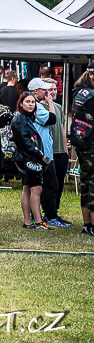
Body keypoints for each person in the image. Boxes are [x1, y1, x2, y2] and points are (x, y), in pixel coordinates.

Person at [10, 92, 51, 229]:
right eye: (27, 102)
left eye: (33, 102)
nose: (31, 104)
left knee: (27, 188)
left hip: (27, 157)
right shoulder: (20, 119)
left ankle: (28, 221)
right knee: (36, 188)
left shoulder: (26, 117)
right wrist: (40, 155)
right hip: (28, 158)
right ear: (21, 103)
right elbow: (26, 143)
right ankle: (38, 222)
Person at [28, 78, 63, 227]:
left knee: (34, 187)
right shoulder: (36, 106)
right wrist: (50, 103)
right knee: (48, 185)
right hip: (42, 152)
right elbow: (52, 119)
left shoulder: (33, 105)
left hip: (43, 151)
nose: (47, 92)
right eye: (44, 90)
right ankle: (49, 215)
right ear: (36, 91)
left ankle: (34, 217)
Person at [68, 61, 94, 236]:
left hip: (81, 142)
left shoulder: (79, 92)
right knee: (92, 184)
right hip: (91, 143)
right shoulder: (91, 95)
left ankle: (87, 224)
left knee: (85, 182)